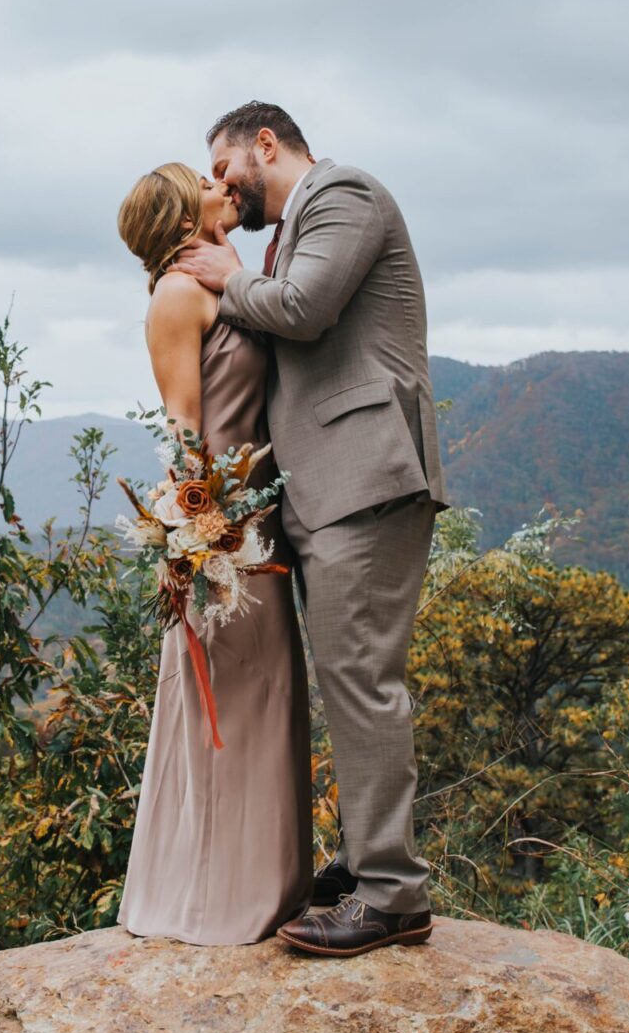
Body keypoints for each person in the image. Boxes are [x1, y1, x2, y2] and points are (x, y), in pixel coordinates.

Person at [173, 100, 448, 958]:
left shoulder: (346, 195)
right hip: (327, 492)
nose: (221, 188)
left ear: (265, 143)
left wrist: (222, 275)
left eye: (223, 170)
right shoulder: (290, 230)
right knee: (347, 679)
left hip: (365, 479)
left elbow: (305, 308)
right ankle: (368, 862)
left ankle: (392, 896)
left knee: (362, 680)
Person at [113, 161, 314, 944]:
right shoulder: (173, 297)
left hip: (263, 521)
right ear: (175, 211)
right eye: (202, 179)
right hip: (223, 536)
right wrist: (199, 540)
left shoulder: (229, 282)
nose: (222, 184)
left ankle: (271, 887)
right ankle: (214, 900)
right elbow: (184, 428)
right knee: (230, 708)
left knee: (272, 700)